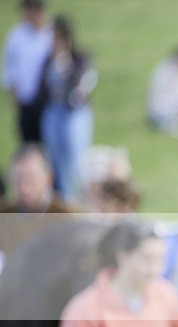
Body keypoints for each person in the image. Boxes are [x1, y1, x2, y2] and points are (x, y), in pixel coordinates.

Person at [39, 15, 97, 202]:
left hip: (73, 114)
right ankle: (65, 199)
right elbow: (43, 87)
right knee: (56, 160)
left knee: (75, 160)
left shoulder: (79, 58)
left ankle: (79, 198)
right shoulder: (48, 61)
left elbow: (81, 87)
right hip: (53, 113)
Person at [0, 144, 76, 256]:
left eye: (31, 178)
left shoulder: (68, 217)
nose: (24, 187)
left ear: (48, 178)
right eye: (18, 178)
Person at [2, 0, 53, 143]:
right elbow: (9, 65)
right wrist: (12, 89)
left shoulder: (51, 33)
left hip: (48, 101)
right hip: (26, 98)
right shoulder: (17, 35)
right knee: (28, 141)